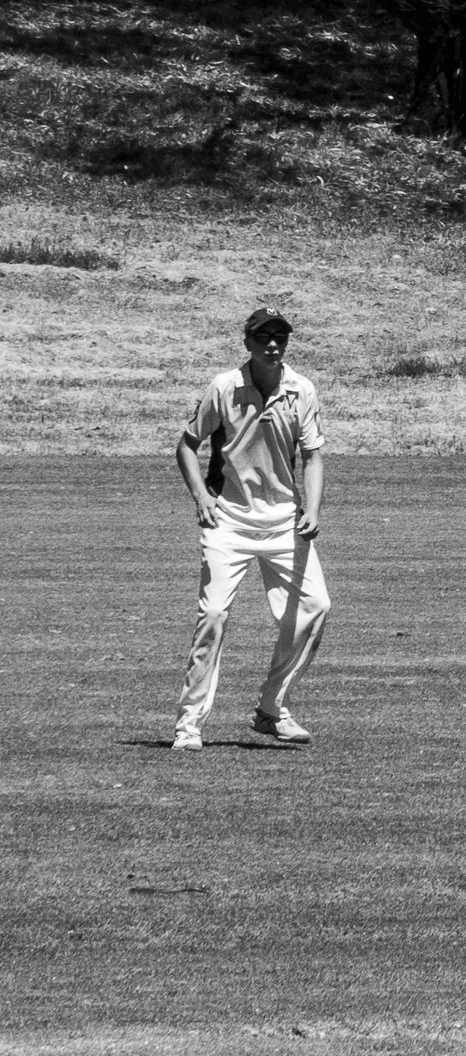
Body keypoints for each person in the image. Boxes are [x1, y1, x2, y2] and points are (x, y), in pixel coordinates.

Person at [170, 306, 331, 750]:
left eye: (280, 337)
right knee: (213, 615)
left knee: (316, 607)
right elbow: (187, 445)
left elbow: (313, 455)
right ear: (247, 342)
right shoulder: (224, 387)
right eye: (263, 337)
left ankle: (271, 708)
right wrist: (201, 497)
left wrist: (313, 509)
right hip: (228, 519)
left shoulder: (302, 389)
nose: (273, 345)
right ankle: (189, 725)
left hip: (283, 521)